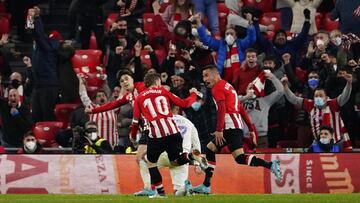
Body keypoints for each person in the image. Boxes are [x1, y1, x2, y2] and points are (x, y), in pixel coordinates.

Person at [190, 65, 282, 194]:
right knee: (211, 150)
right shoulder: (228, 86)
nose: (204, 79)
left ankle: (271, 165)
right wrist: (250, 128)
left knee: (238, 157)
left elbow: (222, 109)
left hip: (229, 127)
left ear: (215, 75)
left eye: (206, 75)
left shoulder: (217, 88)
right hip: (235, 126)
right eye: (203, 76)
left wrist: (219, 129)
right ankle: (206, 185)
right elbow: (240, 109)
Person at [130, 72, 206, 197]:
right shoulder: (163, 92)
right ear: (156, 82)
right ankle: (192, 157)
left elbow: (135, 121)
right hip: (173, 132)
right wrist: (193, 94)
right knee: (176, 161)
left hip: (157, 135)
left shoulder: (139, 97)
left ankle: (161, 193)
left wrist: (133, 137)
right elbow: (184, 104)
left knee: (150, 162)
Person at [134, 105, 201, 196]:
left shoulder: (161, 121)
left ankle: (149, 188)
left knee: (144, 161)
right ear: (177, 109)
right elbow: (196, 142)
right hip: (182, 158)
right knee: (178, 192)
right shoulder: (189, 123)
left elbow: (155, 138)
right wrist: (197, 164)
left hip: (164, 154)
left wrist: (147, 151)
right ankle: (185, 187)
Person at [282, 73, 353, 149]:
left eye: (321, 95)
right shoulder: (310, 105)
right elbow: (293, 99)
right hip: (318, 142)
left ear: (326, 97)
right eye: (316, 96)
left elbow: (345, 96)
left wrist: (349, 83)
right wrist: (285, 86)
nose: (318, 97)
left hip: (336, 143)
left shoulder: (333, 104)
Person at [194, 13, 256, 82]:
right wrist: (198, 22)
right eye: (227, 34)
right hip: (225, 79)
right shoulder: (220, 44)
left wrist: (250, 24)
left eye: (232, 34)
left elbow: (251, 39)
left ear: (235, 37)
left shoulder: (240, 44)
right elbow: (206, 39)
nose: (229, 36)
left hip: (240, 79)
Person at [26, 7, 60, 123]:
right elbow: (35, 33)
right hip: (38, 85)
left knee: (47, 118)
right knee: (35, 117)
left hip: (49, 85)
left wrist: (37, 18)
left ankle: (50, 141)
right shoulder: (37, 49)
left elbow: (39, 35)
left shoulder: (48, 46)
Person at [240, 71, 284, 147]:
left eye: (255, 87)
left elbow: (281, 91)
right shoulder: (240, 100)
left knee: (261, 158)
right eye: (251, 87)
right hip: (245, 137)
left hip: (261, 136)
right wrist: (246, 97)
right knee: (245, 158)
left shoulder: (266, 100)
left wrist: (272, 77)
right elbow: (230, 100)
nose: (253, 90)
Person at [78, 74, 119, 148]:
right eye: (99, 96)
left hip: (112, 145)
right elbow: (83, 95)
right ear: (95, 99)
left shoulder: (113, 107)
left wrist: (105, 81)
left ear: (107, 98)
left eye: (103, 95)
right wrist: (81, 81)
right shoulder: (92, 107)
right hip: (96, 145)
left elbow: (121, 96)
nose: (101, 97)